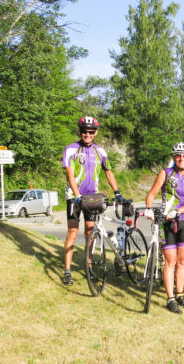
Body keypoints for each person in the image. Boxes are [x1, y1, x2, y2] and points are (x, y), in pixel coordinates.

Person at [61, 116, 124, 286]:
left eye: (90, 132)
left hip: (92, 198)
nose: (86, 134)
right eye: (83, 131)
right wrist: (77, 195)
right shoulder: (71, 149)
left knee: (90, 233)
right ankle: (67, 271)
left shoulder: (100, 151)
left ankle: (88, 268)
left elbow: (108, 172)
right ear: (79, 131)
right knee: (72, 233)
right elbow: (70, 175)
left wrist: (117, 192)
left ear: (95, 133)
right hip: (74, 197)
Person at [144, 142, 184, 314]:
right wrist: (148, 209)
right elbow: (152, 193)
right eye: (178, 155)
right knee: (170, 261)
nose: (181, 159)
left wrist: (178, 211)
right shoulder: (165, 173)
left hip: (183, 221)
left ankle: (180, 294)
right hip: (166, 221)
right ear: (174, 157)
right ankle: (170, 298)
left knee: (182, 261)